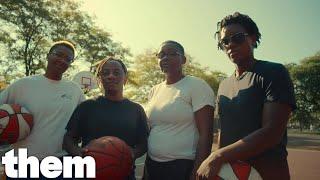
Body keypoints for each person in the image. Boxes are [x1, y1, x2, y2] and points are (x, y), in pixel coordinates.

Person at [196, 12, 296, 180]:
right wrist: (220, 164)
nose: (230, 45)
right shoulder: (223, 86)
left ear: (253, 38)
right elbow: (223, 132)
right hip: (231, 174)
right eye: (225, 41)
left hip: (268, 173)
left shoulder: (274, 72)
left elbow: (272, 132)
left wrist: (217, 156)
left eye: (237, 38)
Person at [63, 57, 149, 180]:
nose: (111, 76)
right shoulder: (87, 106)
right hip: (90, 172)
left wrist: (132, 153)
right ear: (100, 79)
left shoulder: (136, 110)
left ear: (125, 78)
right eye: (105, 73)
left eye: (116, 72)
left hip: (124, 174)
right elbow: (68, 138)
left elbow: (143, 143)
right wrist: (78, 152)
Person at [0, 40, 85, 160]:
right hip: (22, 161)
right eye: (58, 55)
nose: (62, 60)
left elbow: (85, 120)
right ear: (48, 55)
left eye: (68, 59)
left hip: (60, 161)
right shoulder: (23, 84)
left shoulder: (75, 90)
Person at [143, 40, 215, 180]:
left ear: (183, 60)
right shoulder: (154, 90)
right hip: (152, 165)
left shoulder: (196, 85)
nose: (165, 58)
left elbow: (206, 134)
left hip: (182, 166)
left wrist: (197, 170)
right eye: (161, 54)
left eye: (172, 54)